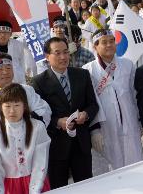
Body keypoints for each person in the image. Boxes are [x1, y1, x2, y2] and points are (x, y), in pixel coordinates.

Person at [31, 37, 100, 189]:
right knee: (59, 186)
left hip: (81, 143)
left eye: (66, 52)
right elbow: (37, 115)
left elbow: (93, 105)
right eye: (57, 53)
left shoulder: (82, 75)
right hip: (56, 145)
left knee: (86, 186)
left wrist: (86, 115)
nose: (63, 57)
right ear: (47, 56)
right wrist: (57, 122)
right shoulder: (38, 82)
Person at [83, 29, 143, 170]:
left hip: (130, 122)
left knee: (135, 163)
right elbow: (89, 102)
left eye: (112, 41)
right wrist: (94, 130)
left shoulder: (128, 65)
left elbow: (135, 95)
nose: (109, 45)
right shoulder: (88, 70)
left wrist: (141, 121)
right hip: (105, 127)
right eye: (104, 42)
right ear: (95, 46)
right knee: (111, 168)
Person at [0, 83, 51, 193]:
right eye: (7, 106)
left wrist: (35, 189)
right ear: (1, 107)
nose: (12, 111)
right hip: (6, 186)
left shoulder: (38, 127)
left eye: (16, 105)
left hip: (35, 182)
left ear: (24, 106)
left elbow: (40, 162)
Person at [0, 52, 51, 128]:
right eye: (0, 69)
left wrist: (26, 124)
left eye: (8, 68)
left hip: (29, 136)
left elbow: (44, 109)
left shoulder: (26, 90)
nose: (5, 72)